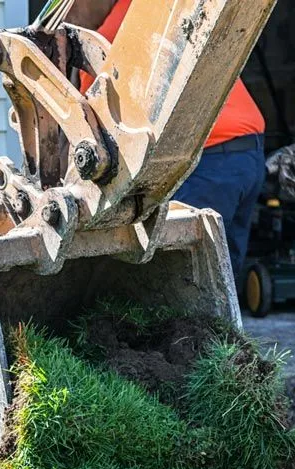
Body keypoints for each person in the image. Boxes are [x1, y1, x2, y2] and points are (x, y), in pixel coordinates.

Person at [85, 0, 266, 277]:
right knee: (225, 274)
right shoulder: (169, 9)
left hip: (207, 159)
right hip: (248, 151)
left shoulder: (114, 30)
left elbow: (91, 126)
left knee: (187, 274)